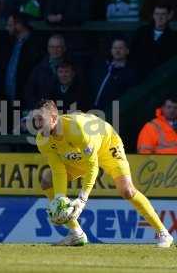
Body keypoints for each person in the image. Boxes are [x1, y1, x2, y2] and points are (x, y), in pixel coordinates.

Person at [34, 99, 174, 247]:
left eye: (41, 119)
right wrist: (59, 198)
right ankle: (76, 233)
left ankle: (163, 233)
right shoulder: (42, 139)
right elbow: (58, 169)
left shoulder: (77, 129)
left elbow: (92, 166)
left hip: (107, 144)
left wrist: (81, 200)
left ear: (54, 118)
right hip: (82, 152)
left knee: (127, 190)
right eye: (35, 119)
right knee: (47, 180)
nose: (37, 125)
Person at [131, 4, 177, 80]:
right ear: (153, 15)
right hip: (140, 76)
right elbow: (132, 52)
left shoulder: (174, 38)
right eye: (157, 14)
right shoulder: (141, 32)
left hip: (162, 79)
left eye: (163, 14)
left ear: (169, 16)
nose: (160, 17)